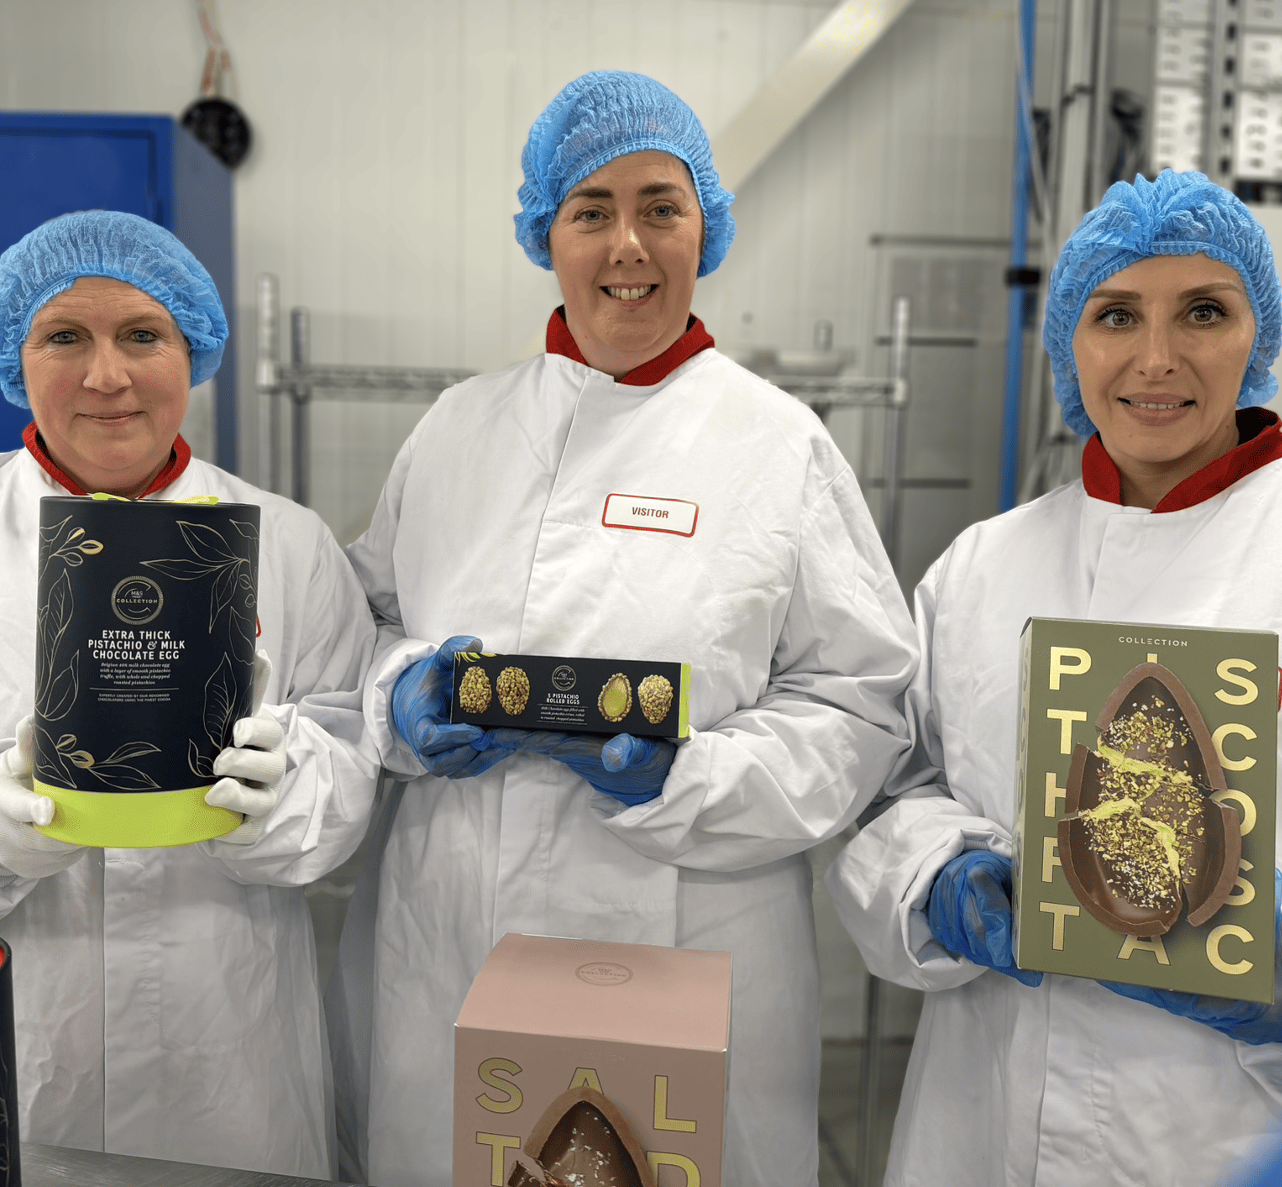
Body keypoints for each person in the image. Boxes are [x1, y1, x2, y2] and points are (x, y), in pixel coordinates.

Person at [325, 70, 918, 1187]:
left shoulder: (777, 446)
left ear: (708, 231)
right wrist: (402, 694)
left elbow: (858, 699)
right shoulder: (458, 429)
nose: (627, 244)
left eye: (660, 207)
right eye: (590, 211)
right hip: (448, 934)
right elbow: (368, 619)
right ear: (545, 233)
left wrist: (687, 776)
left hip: (683, 934)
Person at [825, 169, 1282, 1186]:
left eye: (1203, 311)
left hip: (1215, 1126)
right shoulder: (985, 564)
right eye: (1116, 315)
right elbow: (893, 793)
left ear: (1259, 333)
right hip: (984, 1107)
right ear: (1069, 342)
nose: (1156, 358)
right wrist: (935, 878)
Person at [0, 211, 379, 1175]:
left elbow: (352, 756)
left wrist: (286, 801)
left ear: (192, 349)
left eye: (141, 335)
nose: (106, 377)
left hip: (232, 1057)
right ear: (17, 353)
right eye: (64, 337)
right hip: (34, 1053)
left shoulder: (287, 544)